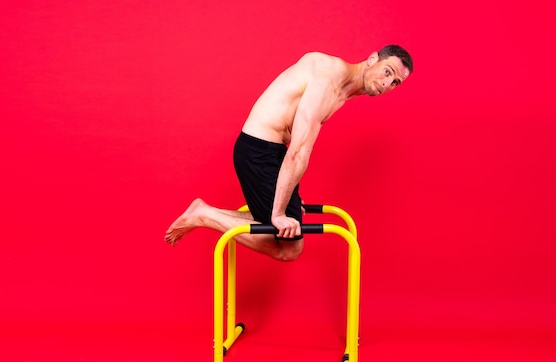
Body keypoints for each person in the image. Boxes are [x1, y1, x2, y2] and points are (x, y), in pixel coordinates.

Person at [165, 45, 412, 261]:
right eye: (387, 71)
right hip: (259, 150)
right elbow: (299, 149)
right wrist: (280, 211)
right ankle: (204, 215)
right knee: (290, 248)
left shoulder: (345, 88)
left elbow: (295, 139)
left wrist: (289, 197)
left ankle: (205, 212)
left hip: (269, 153)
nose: (387, 83)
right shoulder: (330, 75)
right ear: (372, 59)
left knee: (277, 224)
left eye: (395, 83)